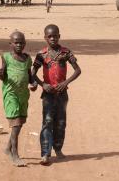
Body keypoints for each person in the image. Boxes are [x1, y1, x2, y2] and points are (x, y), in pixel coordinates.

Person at [32, 24, 81, 165]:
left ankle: (58, 148)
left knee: (60, 122)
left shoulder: (66, 53)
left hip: (62, 93)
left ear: (59, 36)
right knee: (47, 122)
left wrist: (66, 82)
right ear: (45, 38)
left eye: (55, 36)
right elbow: (33, 73)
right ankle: (45, 153)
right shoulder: (41, 54)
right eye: (50, 36)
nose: (53, 38)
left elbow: (78, 70)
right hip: (48, 94)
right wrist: (42, 84)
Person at [0, 31, 37, 167]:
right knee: (16, 124)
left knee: (19, 123)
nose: (19, 45)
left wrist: (34, 84)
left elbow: (30, 76)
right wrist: (1, 74)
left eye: (21, 42)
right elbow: (3, 76)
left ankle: (7, 148)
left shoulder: (27, 59)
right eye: (16, 42)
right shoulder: (6, 57)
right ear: (11, 44)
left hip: (23, 94)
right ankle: (15, 154)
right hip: (11, 93)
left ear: (25, 43)